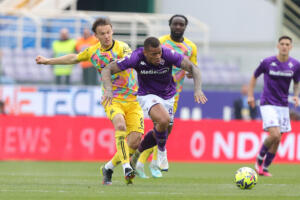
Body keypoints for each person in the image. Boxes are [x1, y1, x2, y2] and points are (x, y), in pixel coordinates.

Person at [36, 17, 144, 185]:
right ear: (96, 35)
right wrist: (48, 61)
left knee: (135, 140)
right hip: (111, 98)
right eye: (102, 34)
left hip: (132, 99)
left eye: (109, 32)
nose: (107, 36)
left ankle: (108, 167)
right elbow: (74, 58)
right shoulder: (93, 52)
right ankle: (126, 167)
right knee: (120, 125)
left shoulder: (123, 47)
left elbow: (131, 61)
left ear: (112, 31)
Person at [101, 36, 207, 176]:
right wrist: (108, 89)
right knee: (163, 120)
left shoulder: (167, 54)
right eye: (154, 54)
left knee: (163, 130)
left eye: (159, 53)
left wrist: (198, 89)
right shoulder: (136, 57)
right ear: (145, 52)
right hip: (147, 95)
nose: (158, 56)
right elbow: (107, 69)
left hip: (168, 95)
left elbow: (193, 68)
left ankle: (134, 156)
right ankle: (162, 152)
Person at [135, 14, 199, 178]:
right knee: (161, 125)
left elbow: (192, 67)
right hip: (155, 91)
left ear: (185, 27)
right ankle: (152, 163)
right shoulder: (161, 42)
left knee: (164, 130)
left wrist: (190, 74)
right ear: (170, 25)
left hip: (173, 93)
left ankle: (144, 161)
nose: (178, 27)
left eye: (181, 24)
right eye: (175, 24)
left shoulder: (191, 47)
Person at [248, 36, 300, 177]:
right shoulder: (267, 62)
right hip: (267, 102)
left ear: (291, 47)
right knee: (274, 134)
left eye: (287, 44)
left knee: (278, 138)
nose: (284, 46)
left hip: (283, 105)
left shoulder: (295, 65)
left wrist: (296, 95)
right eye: (282, 44)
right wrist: (250, 95)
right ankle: (258, 161)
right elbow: (254, 76)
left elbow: (296, 82)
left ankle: (265, 167)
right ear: (278, 46)